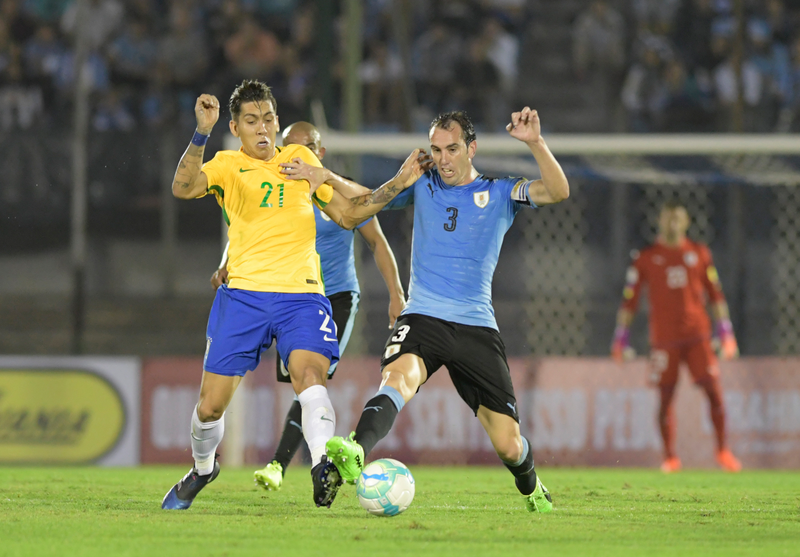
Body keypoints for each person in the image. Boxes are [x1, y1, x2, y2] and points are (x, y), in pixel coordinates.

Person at [161, 79, 431, 510]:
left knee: (311, 379)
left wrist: (398, 182)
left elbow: (347, 215)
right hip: (244, 297)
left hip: (301, 297)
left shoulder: (300, 159)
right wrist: (201, 132)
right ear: (236, 126)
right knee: (210, 408)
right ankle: (203, 468)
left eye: (268, 118)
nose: (263, 128)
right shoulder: (227, 165)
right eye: (251, 121)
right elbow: (182, 187)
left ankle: (322, 465)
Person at [283, 108, 569, 513]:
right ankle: (354, 449)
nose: (444, 159)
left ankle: (532, 487)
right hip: (424, 316)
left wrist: (536, 143)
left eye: (452, 149)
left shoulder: (501, 192)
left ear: (472, 148)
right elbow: (366, 198)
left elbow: (558, 191)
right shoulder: (423, 185)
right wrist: (326, 178)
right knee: (398, 379)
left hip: (475, 326)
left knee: (508, 444)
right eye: (436, 150)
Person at [209, 121, 407, 492]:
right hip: (289, 296)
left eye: (306, 147)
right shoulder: (278, 189)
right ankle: (302, 462)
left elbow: (377, 242)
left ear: (321, 152)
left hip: (335, 298)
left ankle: (284, 465)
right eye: (289, 146)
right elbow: (245, 229)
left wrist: (396, 293)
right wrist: (226, 262)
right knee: (303, 386)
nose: (296, 154)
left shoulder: (338, 191)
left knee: (310, 382)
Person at [611, 200, 741, 473]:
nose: (672, 224)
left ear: (686, 223)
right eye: (668, 218)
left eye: (677, 219)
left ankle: (723, 452)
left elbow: (716, 294)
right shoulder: (646, 258)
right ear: (660, 221)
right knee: (665, 398)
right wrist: (621, 337)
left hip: (698, 337)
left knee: (714, 393)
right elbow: (630, 300)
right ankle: (670, 457)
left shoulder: (699, 253)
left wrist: (726, 332)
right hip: (664, 340)